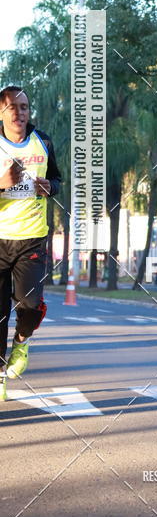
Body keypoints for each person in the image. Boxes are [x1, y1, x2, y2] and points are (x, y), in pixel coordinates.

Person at [0, 86, 62, 400]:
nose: (19, 112)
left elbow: (58, 179)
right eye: (12, 107)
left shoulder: (43, 141)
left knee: (31, 302)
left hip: (32, 238)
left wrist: (51, 187)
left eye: (24, 107)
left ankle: (22, 342)